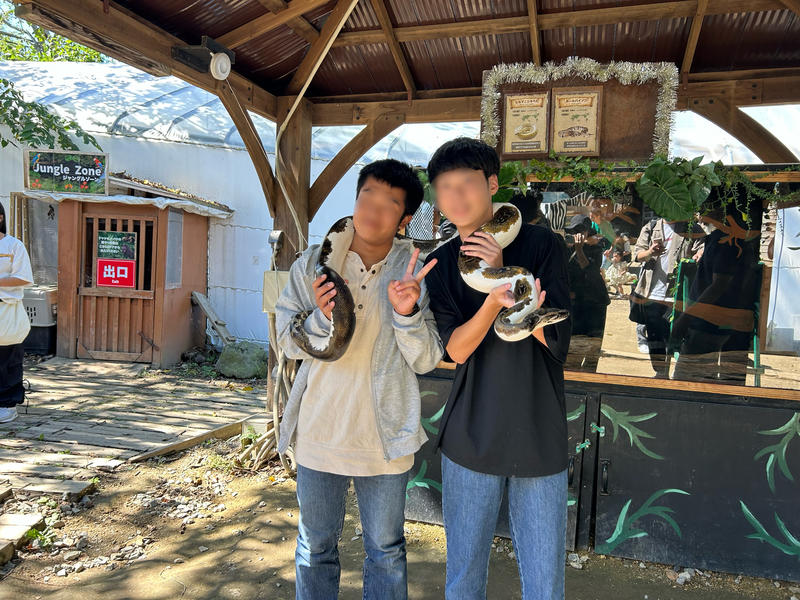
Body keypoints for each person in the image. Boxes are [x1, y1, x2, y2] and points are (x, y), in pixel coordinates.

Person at [275, 158, 443, 600]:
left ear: (405, 219)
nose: (373, 210)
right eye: (367, 196)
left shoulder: (416, 271)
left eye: (389, 204)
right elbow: (285, 341)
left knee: (386, 550)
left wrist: (407, 313)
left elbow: (426, 359)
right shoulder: (314, 264)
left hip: (384, 440)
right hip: (320, 431)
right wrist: (320, 317)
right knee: (315, 547)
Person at [422, 137, 572, 600]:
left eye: (466, 183)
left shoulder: (542, 244)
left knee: (545, 583)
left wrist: (506, 268)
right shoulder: (441, 262)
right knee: (463, 578)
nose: (455, 197)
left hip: (538, 433)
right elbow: (457, 350)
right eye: (444, 188)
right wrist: (493, 295)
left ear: (491, 184)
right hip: (471, 434)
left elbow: (558, 340)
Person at [631, 217, 703, 378]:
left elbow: (703, 247)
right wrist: (650, 252)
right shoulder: (651, 227)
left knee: (678, 337)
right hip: (652, 292)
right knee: (655, 337)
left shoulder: (692, 228)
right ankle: (661, 373)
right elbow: (637, 255)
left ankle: (679, 374)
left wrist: (700, 253)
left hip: (679, 295)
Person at [0, 201, 34, 423]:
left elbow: (23, 277)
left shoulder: (14, 246)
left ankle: (7, 404)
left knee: (7, 358)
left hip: (7, 308)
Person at [564, 214, 609, 372]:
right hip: (576, 302)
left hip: (595, 301)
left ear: (588, 231)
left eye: (580, 231)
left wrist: (579, 249)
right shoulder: (566, 248)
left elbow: (590, 270)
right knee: (574, 344)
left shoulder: (596, 247)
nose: (576, 234)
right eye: (573, 231)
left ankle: (589, 379)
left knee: (593, 346)